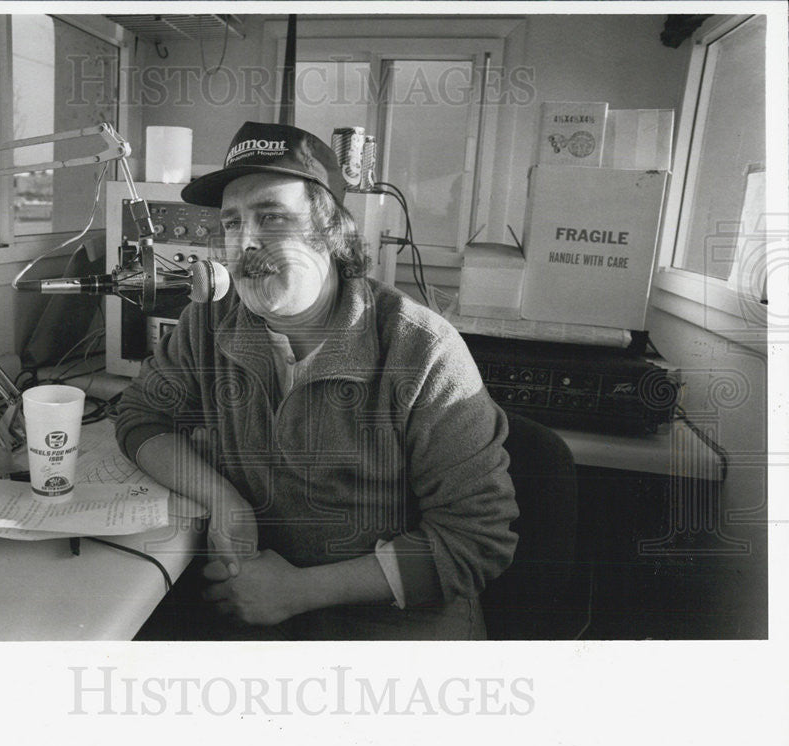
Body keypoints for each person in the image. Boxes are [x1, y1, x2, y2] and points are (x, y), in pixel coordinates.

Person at [115, 121, 518, 640]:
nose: (245, 245)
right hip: (252, 592)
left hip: (389, 619)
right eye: (233, 224)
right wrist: (221, 501)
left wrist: (297, 591)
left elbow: (475, 542)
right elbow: (142, 414)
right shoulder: (212, 321)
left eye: (272, 217)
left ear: (331, 234)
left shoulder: (422, 351)